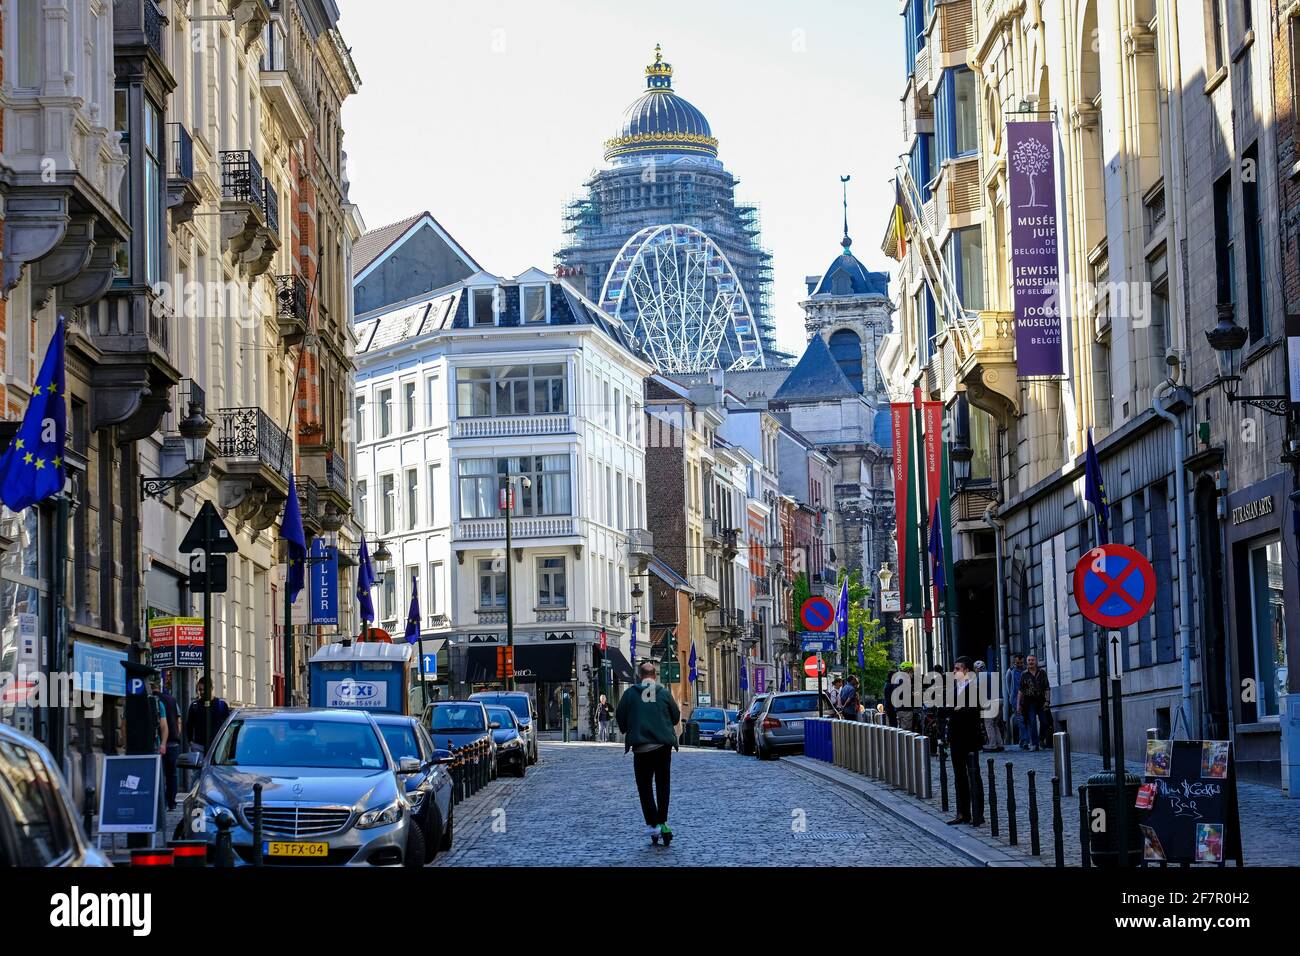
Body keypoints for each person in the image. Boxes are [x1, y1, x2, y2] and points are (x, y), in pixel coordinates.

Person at [615, 661, 681, 846]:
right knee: (663, 785)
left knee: (644, 787)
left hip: (641, 747)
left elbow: (620, 716)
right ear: (655, 676)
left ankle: (653, 823)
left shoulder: (630, 694)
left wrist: (628, 728)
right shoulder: (664, 693)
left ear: (639, 675)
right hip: (662, 746)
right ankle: (663, 821)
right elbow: (675, 716)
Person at [946, 657, 984, 826]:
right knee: (959, 776)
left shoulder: (974, 687)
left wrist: (958, 709)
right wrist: (956, 708)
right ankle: (963, 813)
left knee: (974, 775)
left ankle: (978, 813)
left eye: (957, 669)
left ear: (966, 671)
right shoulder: (953, 688)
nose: (954, 672)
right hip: (955, 738)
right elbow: (944, 709)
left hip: (969, 738)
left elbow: (973, 711)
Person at [153, 676, 182, 810]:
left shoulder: (152, 700)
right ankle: (172, 802)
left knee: (159, 774)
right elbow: (178, 720)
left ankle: (161, 803)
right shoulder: (172, 700)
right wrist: (177, 734)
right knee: (172, 775)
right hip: (172, 743)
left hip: (158, 743)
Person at [185, 677, 231, 752]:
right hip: (199, 746)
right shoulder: (194, 706)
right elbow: (189, 725)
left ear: (211, 688)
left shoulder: (221, 705)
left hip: (217, 746)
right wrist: (190, 741)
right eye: (200, 690)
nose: (202, 692)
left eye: (204, 689)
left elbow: (228, 726)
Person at [1017, 654, 1051, 751]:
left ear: (1036, 662)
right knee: (1032, 722)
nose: (1031, 662)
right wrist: (1018, 704)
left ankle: (1041, 740)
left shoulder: (1042, 673)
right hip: (1029, 701)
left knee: (1044, 722)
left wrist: (1047, 701)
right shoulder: (1024, 674)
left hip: (1041, 701)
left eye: (1032, 660)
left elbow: (1047, 688)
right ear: (1027, 662)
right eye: (1029, 660)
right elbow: (1020, 690)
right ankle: (1034, 743)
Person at [973, 661, 1003, 752]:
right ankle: (1000, 744)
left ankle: (992, 745)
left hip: (990, 702)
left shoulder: (979, 678)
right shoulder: (992, 675)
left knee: (989, 724)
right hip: (1000, 700)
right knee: (995, 724)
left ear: (977, 669)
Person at [1004, 654, 1026, 748]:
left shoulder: (1026, 670)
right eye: (1017, 663)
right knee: (1020, 720)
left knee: (1026, 720)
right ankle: (1024, 741)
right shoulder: (1010, 670)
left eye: (1021, 662)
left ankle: (1023, 740)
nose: (1019, 664)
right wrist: (1011, 696)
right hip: (1015, 699)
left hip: (1026, 699)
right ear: (1014, 662)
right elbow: (1008, 683)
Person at [894, 662, 917, 731]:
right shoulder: (904, 680)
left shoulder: (898, 679)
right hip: (905, 709)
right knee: (907, 731)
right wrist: (913, 695)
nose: (912, 673)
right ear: (907, 671)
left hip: (899, 709)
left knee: (901, 731)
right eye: (911, 671)